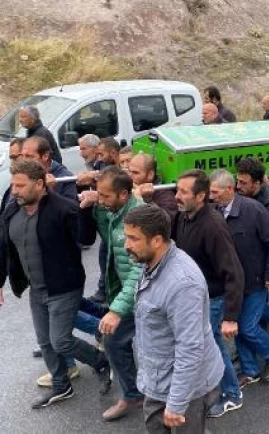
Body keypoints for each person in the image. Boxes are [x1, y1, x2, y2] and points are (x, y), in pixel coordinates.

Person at [0, 159, 111, 409]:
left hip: (64, 286)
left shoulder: (63, 209)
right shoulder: (12, 210)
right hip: (36, 287)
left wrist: (84, 211)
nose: (14, 190)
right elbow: (4, 247)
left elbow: (86, 238)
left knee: (60, 340)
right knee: (45, 341)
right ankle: (62, 386)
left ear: (39, 184)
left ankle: (101, 361)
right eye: (13, 185)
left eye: (20, 185)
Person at [124, 205, 224, 434]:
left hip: (185, 389)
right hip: (159, 381)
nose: (126, 245)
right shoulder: (151, 261)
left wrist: (177, 403)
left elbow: (190, 348)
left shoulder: (182, 284)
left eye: (133, 238)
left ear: (157, 240)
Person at [171, 169, 245, 418]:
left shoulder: (213, 226)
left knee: (210, 347)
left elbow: (234, 271)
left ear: (201, 196)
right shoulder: (183, 217)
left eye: (183, 192)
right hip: (194, 297)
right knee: (205, 346)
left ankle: (233, 394)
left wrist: (230, 317)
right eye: (177, 190)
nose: (177, 196)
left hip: (213, 300)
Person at [209, 170, 269, 387]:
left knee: (246, 327)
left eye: (215, 192)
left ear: (229, 189)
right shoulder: (215, 210)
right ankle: (250, 369)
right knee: (237, 328)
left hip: (255, 281)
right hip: (232, 284)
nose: (211, 196)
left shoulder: (253, 210)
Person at [79, 166, 144, 421]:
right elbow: (92, 234)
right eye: (100, 194)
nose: (101, 199)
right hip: (127, 292)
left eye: (106, 196)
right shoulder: (114, 211)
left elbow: (139, 272)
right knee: (114, 340)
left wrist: (117, 309)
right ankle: (132, 395)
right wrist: (94, 200)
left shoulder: (139, 217)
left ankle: (178, 402)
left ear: (124, 194)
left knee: (159, 349)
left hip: (147, 296)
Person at [21, 136, 77, 202]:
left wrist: (51, 192)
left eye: (29, 156)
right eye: (22, 156)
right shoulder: (21, 174)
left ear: (45, 156)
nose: (23, 161)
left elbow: (71, 210)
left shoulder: (65, 177)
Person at [128, 153, 178, 221]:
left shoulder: (166, 195)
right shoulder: (128, 187)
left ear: (150, 175)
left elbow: (165, 222)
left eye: (135, 173)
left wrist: (147, 200)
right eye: (129, 171)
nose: (130, 176)